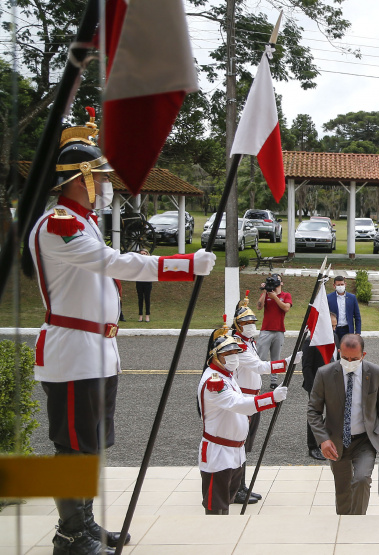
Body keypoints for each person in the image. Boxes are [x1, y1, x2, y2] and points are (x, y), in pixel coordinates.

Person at [25, 110, 216, 554]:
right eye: (103, 178)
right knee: (72, 448)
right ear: (81, 180)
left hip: (96, 349)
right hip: (72, 350)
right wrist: (184, 265)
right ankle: (71, 535)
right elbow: (114, 263)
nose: (108, 186)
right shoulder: (60, 226)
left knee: (90, 446)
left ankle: (83, 525)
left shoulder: (84, 222)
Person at [198, 329, 287, 515]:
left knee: (226, 504)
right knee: (216, 508)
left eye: (234, 353)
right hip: (218, 453)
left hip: (234, 451)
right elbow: (239, 404)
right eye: (227, 354)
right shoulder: (214, 381)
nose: (233, 358)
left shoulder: (227, 376)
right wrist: (271, 398)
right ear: (215, 357)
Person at [307, 334, 379, 515]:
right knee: (343, 490)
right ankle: (344, 525)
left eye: (354, 359)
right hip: (337, 442)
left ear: (364, 355)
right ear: (339, 352)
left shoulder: (376, 373)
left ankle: (358, 524)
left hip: (365, 441)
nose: (349, 362)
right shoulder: (325, 374)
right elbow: (313, 411)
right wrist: (322, 439)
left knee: (361, 480)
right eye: (345, 358)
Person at [230, 293, 301, 503]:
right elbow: (259, 367)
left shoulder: (248, 341)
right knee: (238, 445)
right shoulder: (238, 345)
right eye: (246, 322)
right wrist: (286, 363)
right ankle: (235, 489)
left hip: (252, 398)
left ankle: (241, 485)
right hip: (243, 399)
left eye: (253, 321)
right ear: (238, 324)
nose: (251, 325)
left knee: (245, 445)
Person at [257, 273, 292, 388]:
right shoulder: (267, 294)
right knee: (260, 357)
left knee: (275, 358)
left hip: (279, 330)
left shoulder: (286, 295)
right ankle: (256, 380)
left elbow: (286, 308)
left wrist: (275, 297)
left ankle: (273, 381)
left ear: (281, 283)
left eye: (277, 280)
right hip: (266, 330)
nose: (275, 281)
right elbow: (259, 306)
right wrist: (264, 291)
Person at [301, 328, 331, 460]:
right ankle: (313, 446)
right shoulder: (310, 342)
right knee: (315, 414)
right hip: (315, 385)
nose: (333, 328)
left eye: (334, 326)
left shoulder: (333, 337)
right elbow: (306, 367)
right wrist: (314, 389)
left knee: (333, 412)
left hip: (331, 383)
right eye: (331, 325)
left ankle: (325, 439)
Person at [135, 249, 152, 322]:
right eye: (141, 254)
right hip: (139, 282)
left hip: (147, 282)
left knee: (147, 299)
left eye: (145, 253)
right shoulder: (138, 263)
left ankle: (147, 315)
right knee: (140, 298)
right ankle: (140, 315)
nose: (143, 255)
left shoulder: (150, 263)